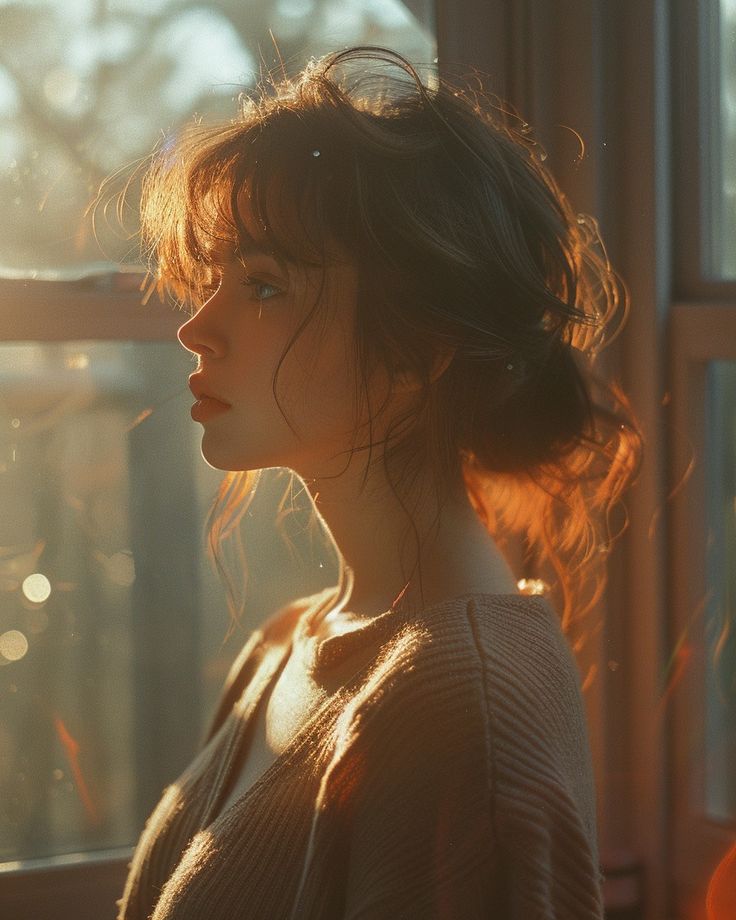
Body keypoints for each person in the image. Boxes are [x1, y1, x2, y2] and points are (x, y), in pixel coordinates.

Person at [116, 45, 642, 919]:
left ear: (419, 349)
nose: (197, 328)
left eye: (263, 285)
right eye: (213, 280)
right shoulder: (287, 644)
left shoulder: (464, 713)